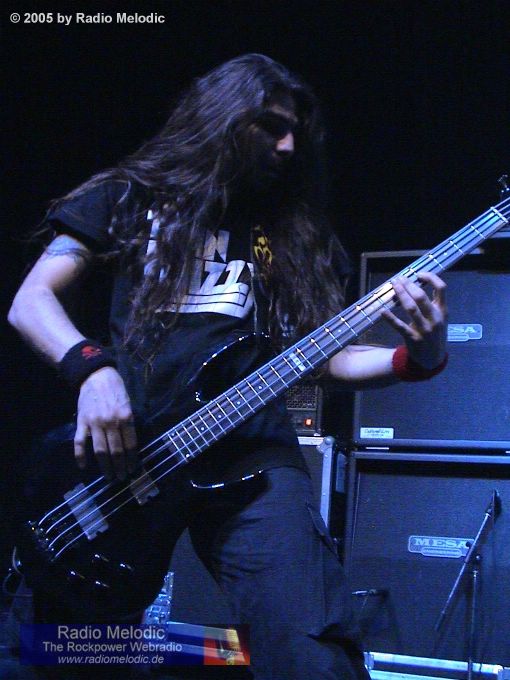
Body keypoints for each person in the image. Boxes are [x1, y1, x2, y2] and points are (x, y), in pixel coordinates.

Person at [8, 54, 447, 680]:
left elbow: (323, 358)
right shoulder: (127, 197)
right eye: (271, 126)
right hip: (131, 455)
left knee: (309, 655)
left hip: (253, 457)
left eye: (295, 132)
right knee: (73, 653)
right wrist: (92, 370)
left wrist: (417, 358)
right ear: (223, 118)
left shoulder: (292, 235)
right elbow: (32, 301)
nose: (288, 145)